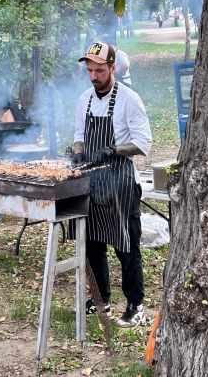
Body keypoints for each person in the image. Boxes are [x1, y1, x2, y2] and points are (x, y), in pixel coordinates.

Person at [72, 41, 152, 329]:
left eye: (100, 70)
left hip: (120, 183)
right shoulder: (85, 100)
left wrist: (114, 149)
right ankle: (100, 298)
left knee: (126, 246)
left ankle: (136, 306)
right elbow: (78, 134)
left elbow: (143, 143)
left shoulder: (130, 99)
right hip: (91, 184)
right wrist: (79, 151)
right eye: (90, 70)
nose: (94, 75)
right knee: (92, 244)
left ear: (113, 68)